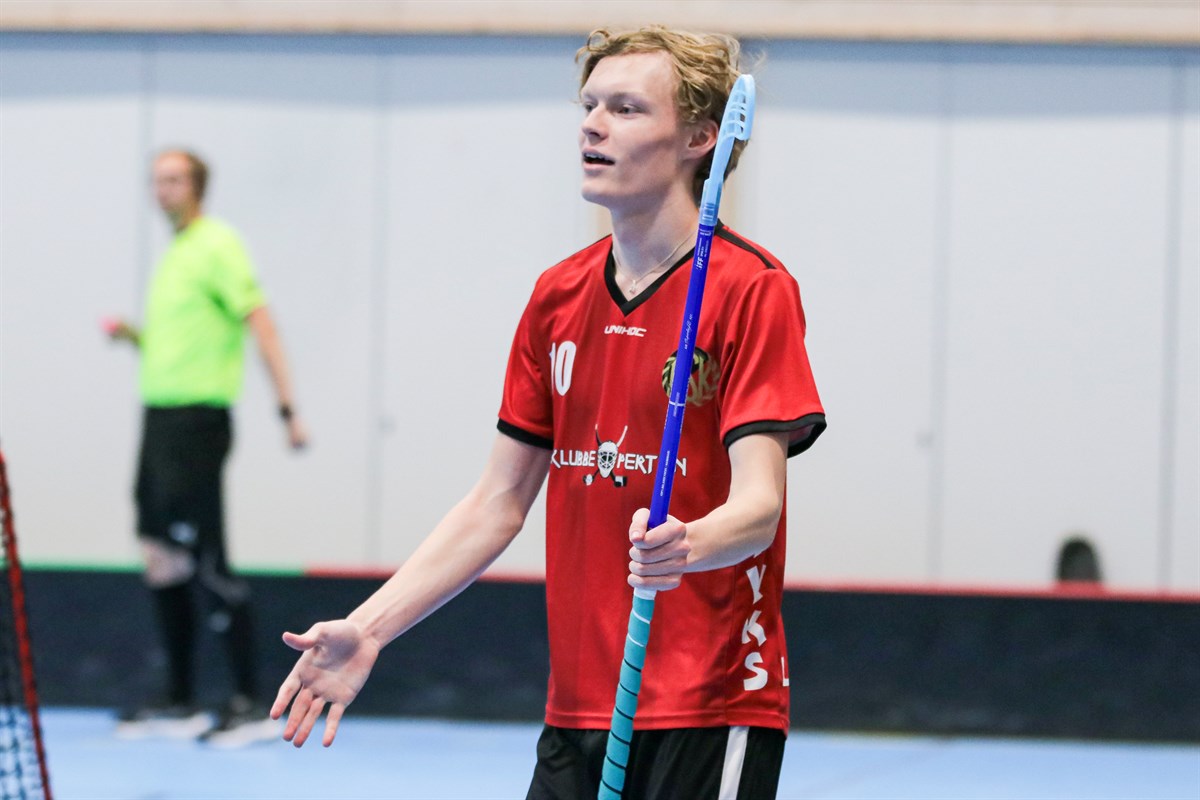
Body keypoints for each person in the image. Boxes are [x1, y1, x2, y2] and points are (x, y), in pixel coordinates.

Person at [273, 26, 825, 798]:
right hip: (581, 701)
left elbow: (759, 507)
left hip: (711, 697)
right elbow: (497, 503)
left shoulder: (752, 290)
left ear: (701, 137)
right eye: (589, 105)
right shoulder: (557, 297)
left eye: (626, 109)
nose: (592, 126)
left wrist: (688, 543)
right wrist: (370, 627)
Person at [107, 149, 308, 747]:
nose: (162, 189)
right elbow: (178, 345)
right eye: (156, 180)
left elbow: (260, 321)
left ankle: (251, 704)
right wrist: (135, 337)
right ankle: (181, 701)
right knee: (159, 552)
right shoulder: (176, 253)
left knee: (206, 557)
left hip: (197, 423)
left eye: (173, 179)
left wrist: (288, 408)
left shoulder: (219, 244)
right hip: (160, 420)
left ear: (196, 186)